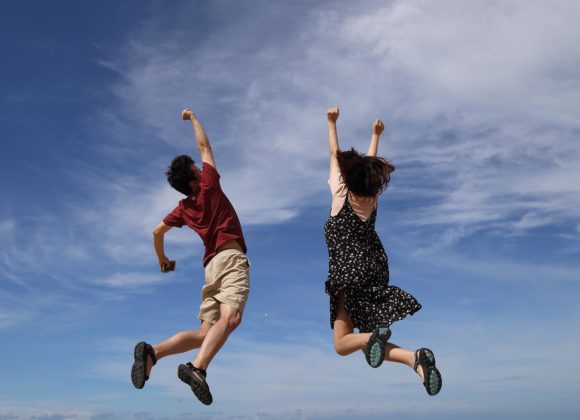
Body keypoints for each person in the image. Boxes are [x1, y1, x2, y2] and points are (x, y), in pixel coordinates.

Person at [130, 108, 250, 405]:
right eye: (197, 167)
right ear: (196, 177)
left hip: (210, 268)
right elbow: (205, 146)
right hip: (230, 260)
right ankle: (198, 368)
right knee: (231, 318)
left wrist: (162, 260)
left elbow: (156, 233)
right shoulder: (209, 186)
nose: (201, 167)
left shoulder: (183, 208)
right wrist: (193, 117)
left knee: (205, 334)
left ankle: (152, 352)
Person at [324, 106, 442, 396]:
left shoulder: (341, 194)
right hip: (373, 271)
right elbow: (369, 165)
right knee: (365, 341)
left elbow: (333, 153)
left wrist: (331, 123)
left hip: (348, 273)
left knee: (341, 344)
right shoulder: (370, 200)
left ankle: (375, 337)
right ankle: (414, 360)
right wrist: (376, 135)